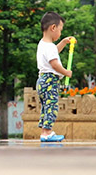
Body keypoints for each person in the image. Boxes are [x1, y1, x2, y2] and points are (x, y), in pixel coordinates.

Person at [37, 12, 74, 142]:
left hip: (42, 80)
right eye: (60, 30)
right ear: (53, 28)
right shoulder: (50, 47)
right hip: (50, 80)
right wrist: (66, 72)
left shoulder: (43, 44)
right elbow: (54, 64)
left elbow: (54, 53)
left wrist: (63, 42)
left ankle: (44, 132)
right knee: (52, 106)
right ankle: (48, 132)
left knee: (46, 107)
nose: (60, 33)